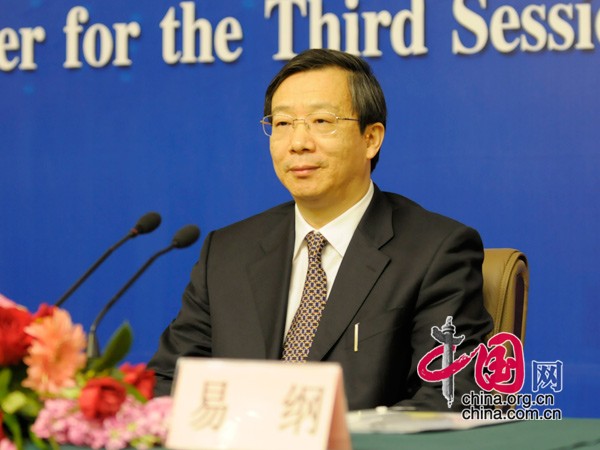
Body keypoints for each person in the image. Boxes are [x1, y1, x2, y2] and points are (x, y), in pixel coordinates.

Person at [148, 48, 492, 411]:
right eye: (282, 124)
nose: (298, 143)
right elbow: (169, 382)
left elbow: (450, 399)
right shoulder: (227, 252)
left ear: (371, 139)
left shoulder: (436, 251)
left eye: (321, 122)